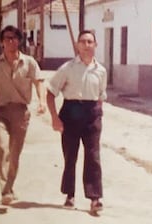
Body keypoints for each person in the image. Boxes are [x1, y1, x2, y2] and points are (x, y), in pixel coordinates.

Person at [0, 25, 46, 205]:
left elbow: (39, 83)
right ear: (1, 42)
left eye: (14, 38)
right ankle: (5, 189)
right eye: (7, 38)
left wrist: (42, 101)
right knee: (3, 147)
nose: (11, 41)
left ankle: (10, 186)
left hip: (21, 113)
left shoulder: (29, 62)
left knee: (14, 154)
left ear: (19, 41)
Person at [46, 30, 107, 214]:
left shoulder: (101, 70)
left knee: (93, 156)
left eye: (90, 42)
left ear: (95, 45)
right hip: (71, 113)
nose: (87, 45)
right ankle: (69, 194)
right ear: (77, 45)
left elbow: (101, 95)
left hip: (92, 115)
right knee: (70, 156)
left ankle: (95, 198)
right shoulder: (67, 68)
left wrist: (97, 114)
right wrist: (55, 118)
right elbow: (50, 92)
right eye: (83, 42)